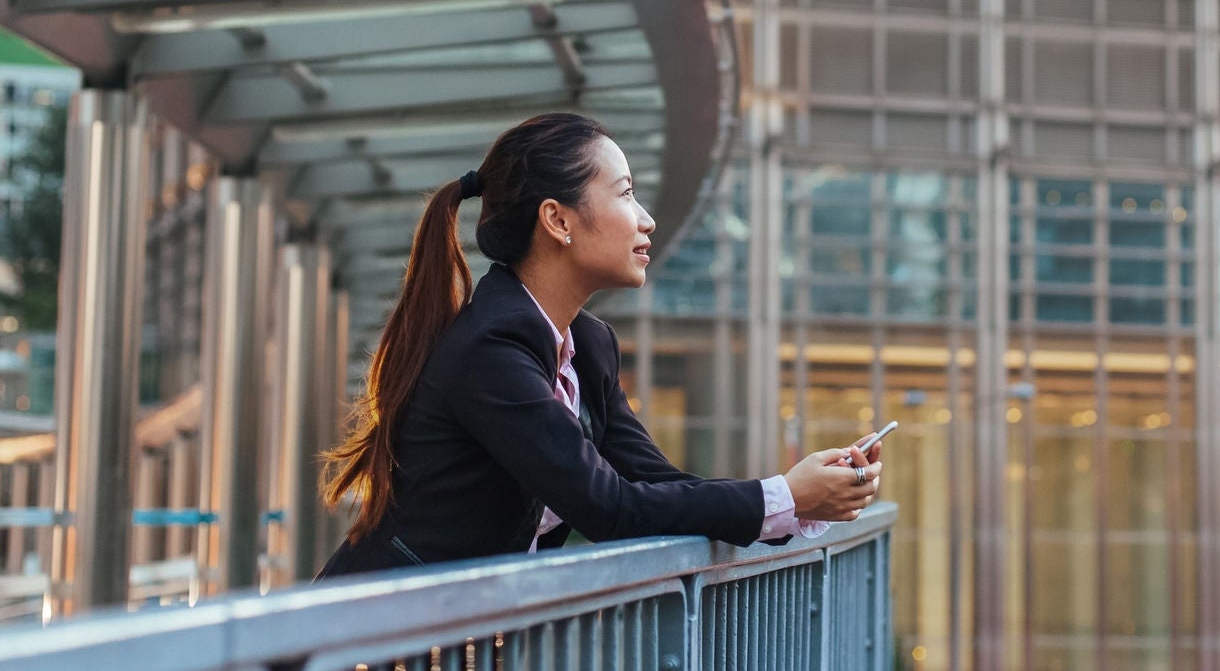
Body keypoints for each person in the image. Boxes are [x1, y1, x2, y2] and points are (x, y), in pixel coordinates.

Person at [317, 111, 882, 577]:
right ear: (558, 221)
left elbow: (656, 485)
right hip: (365, 655)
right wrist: (785, 494)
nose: (647, 220)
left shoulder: (586, 344)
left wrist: (800, 498)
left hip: (434, 654)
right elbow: (607, 506)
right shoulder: (493, 350)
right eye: (627, 195)